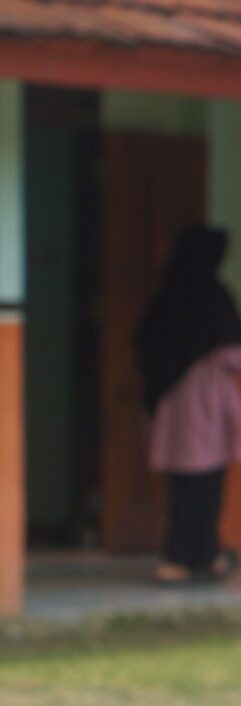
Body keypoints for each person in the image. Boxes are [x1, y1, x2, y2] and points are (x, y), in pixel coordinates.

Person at [136, 223, 241, 584]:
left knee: (182, 483)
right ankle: (191, 555)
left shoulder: (167, 296)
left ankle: (193, 554)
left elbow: (145, 342)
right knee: (206, 481)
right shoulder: (213, 295)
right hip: (205, 402)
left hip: (171, 403)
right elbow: (233, 349)